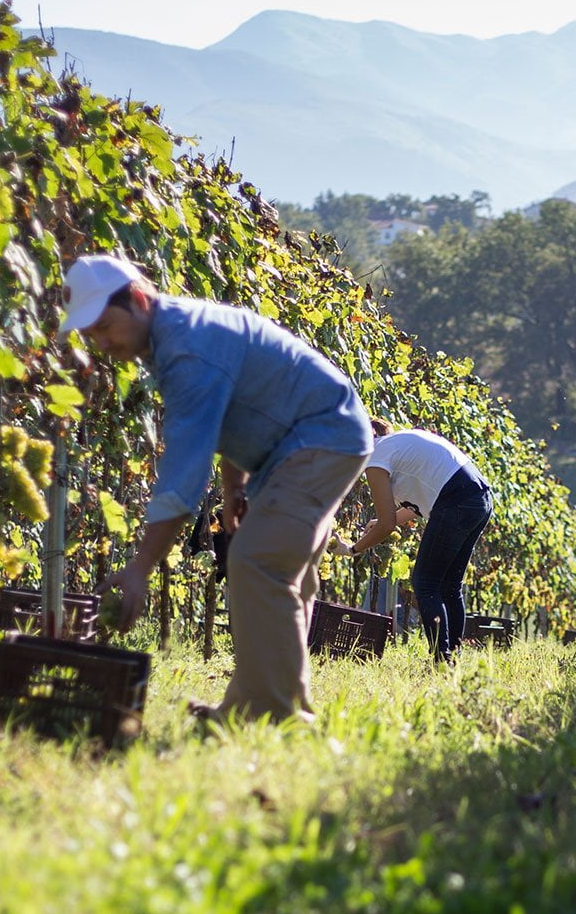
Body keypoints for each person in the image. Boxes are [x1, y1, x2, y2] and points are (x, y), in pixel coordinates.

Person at [60, 255, 371, 723]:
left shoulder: (186, 349)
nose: (102, 344)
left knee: (259, 561)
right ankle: (252, 705)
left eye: (105, 325)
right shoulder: (180, 333)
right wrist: (234, 488)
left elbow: (184, 473)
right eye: (90, 337)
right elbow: (236, 411)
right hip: (304, 440)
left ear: (139, 299)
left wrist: (140, 569)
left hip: (320, 435)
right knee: (281, 566)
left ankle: (279, 717)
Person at [329, 418, 492, 663]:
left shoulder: (375, 458)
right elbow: (413, 507)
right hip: (479, 499)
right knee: (449, 585)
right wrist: (386, 519)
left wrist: (352, 549)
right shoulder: (395, 443)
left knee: (425, 583)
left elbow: (386, 526)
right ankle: (453, 656)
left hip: (456, 502)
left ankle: (442, 660)